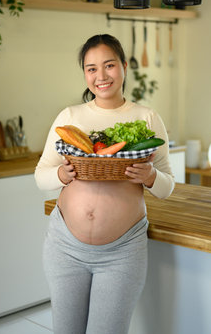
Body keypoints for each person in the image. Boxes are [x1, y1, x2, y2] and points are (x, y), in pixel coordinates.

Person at [35, 34, 175, 334]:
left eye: (109, 65)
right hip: (65, 248)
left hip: (123, 252)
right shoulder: (70, 117)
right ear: (85, 74)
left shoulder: (147, 117)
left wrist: (150, 177)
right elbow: (40, 175)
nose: (101, 76)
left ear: (124, 67)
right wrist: (60, 176)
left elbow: (167, 187)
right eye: (91, 68)